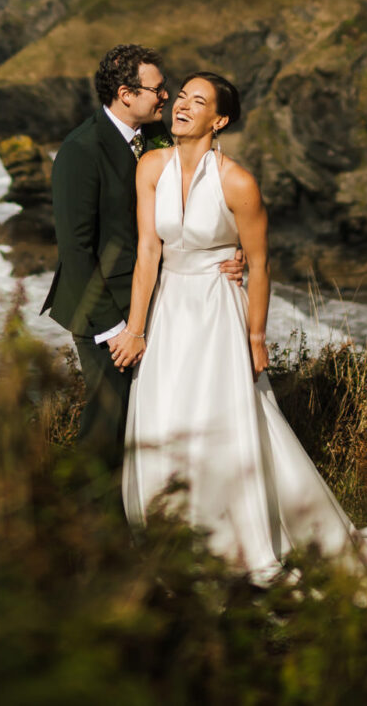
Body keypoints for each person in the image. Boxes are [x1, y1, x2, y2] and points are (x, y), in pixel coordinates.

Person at [117, 70, 367, 618]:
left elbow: (261, 262)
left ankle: (236, 551)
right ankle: (172, 556)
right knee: (162, 422)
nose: (180, 106)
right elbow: (148, 253)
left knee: (221, 426)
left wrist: (254, 335)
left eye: (196, 102)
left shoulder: (238, 182)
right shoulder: (150, 166)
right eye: (180, 97)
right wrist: (136, 328)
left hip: (216, 316)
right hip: (169, 309)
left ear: (218, 120)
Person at [41, 44, 243, 473]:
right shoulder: (81, 150)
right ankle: (89, 530)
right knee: (107, 425)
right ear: (126, 94)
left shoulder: (157, 138)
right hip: (104, 312)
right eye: (158, 89)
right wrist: (117, 329)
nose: (167, 97)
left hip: (156, 301)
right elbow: (75, 251)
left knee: (148, 418)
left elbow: (200, 197)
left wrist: (230, 248)